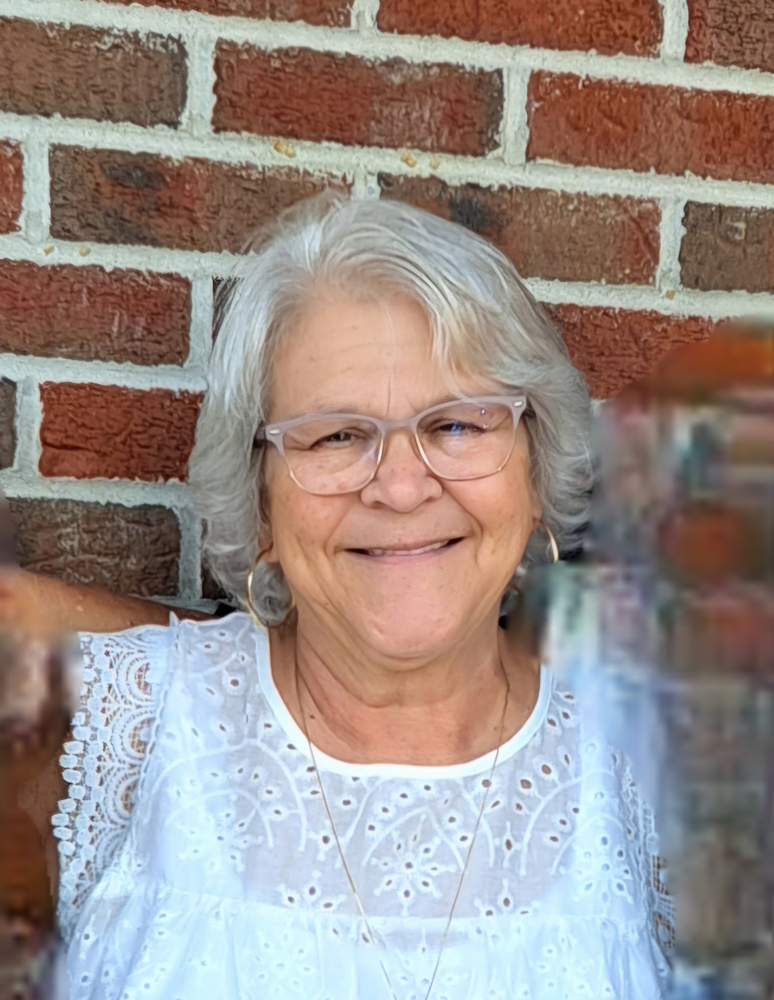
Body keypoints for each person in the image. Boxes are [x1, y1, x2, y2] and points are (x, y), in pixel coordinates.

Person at [3, 193, 673, 998]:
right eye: (336, 436)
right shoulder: (123, 724)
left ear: (535, 473)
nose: (400, 487)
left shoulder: (652, 763)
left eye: (458, 425)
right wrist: (189, 644)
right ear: (260, 508)